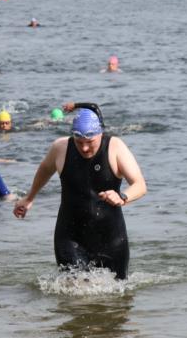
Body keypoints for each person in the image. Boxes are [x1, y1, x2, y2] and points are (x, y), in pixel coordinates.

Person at [13, 102, 146, 280]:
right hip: (70, 237)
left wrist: (122, 197)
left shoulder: (115, 147)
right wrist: (29, 198)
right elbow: (44, 169)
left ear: (100, 133)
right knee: (74, 292)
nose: (84, 148)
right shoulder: (60, 147)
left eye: (89, 142)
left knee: (119, 297)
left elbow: (140, 185)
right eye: (79, 141)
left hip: (111, 238)